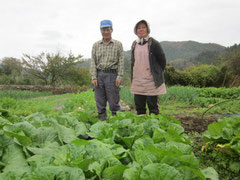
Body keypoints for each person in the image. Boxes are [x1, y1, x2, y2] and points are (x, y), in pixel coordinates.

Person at [130, 20, 166, 115]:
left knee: (153, 107)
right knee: (139, 107)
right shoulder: (134, 44)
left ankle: (154, 127)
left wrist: (156, 73)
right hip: (138, 80)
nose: (141, 29)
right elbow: (133, 62)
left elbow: (162, 61)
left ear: (147, 29)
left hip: (151, 81)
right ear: (136, 31)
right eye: (139, 28)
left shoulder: (154, 44)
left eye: (143, 27)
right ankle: (142, 127)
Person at [90, 20, 124, 120]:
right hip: (99, 74)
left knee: (113, 101)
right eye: (103, 29)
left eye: (108, 29)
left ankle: (116, 121)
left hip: (112, 74)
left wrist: (120, 76)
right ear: (100, 30)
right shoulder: (96, 45)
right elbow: (93, 61)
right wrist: (94, 77)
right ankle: (102, 120)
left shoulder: (118, 44)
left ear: (111, 30)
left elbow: (121, 61)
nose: (106, 32)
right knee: (100, 100)